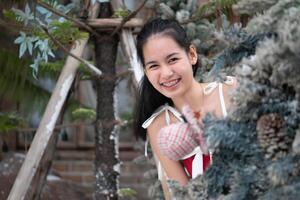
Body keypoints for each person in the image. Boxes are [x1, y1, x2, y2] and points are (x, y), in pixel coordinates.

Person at [134, 18, 237, 186]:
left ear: (192, 55)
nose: (166, 73)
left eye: (173, 59)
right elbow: (181, 192)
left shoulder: (229, 92)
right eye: (154, 66)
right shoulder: (159, 126)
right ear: (146, 71)